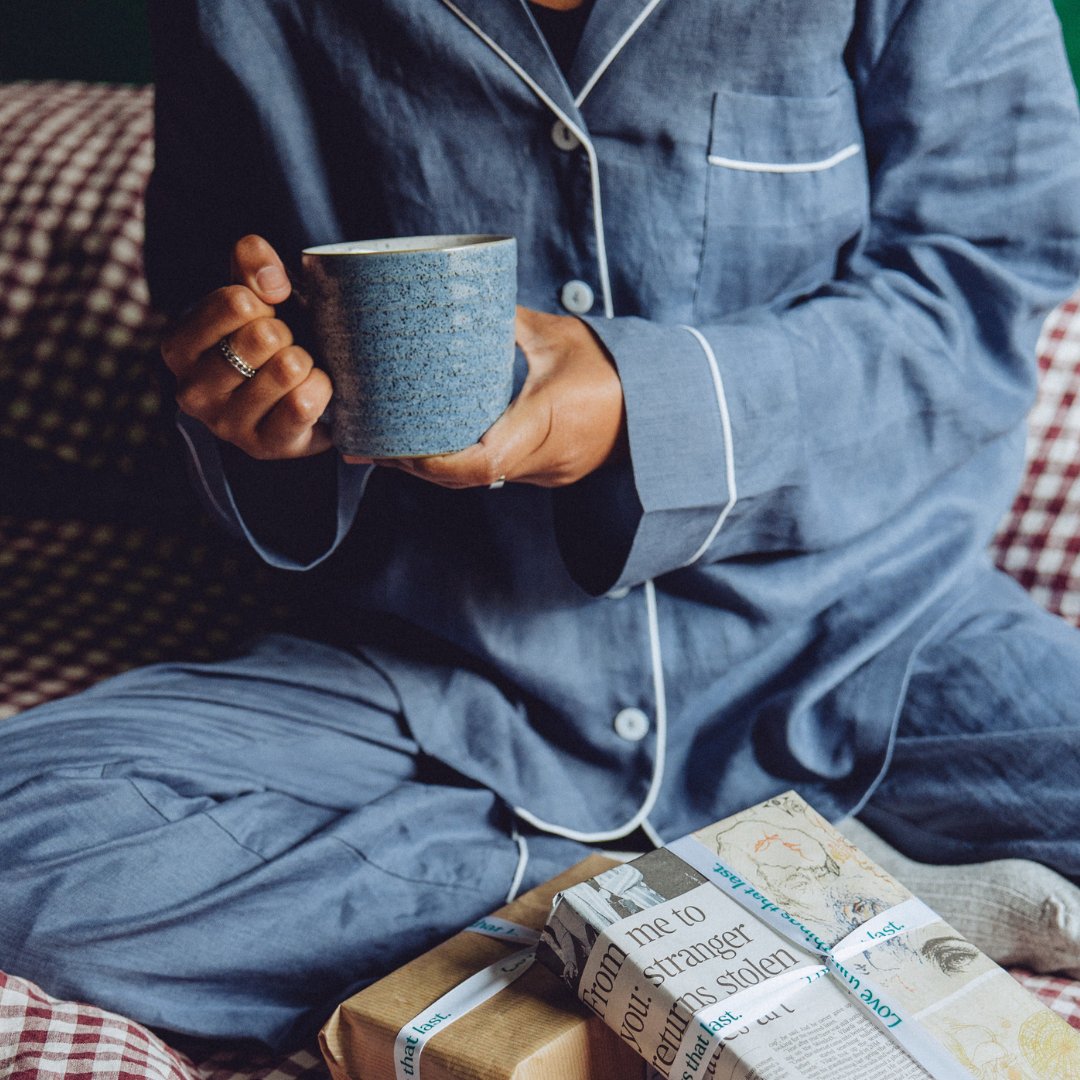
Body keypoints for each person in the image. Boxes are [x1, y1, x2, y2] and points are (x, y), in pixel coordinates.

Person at [2, 0, 1080, 1055]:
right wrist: (257, 413)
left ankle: (656, 897)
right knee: (28, 863)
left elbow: (978, 291)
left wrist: (637, 407)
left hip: (865, 629)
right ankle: (787, 897)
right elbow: (226, 319)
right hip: (437, 671)